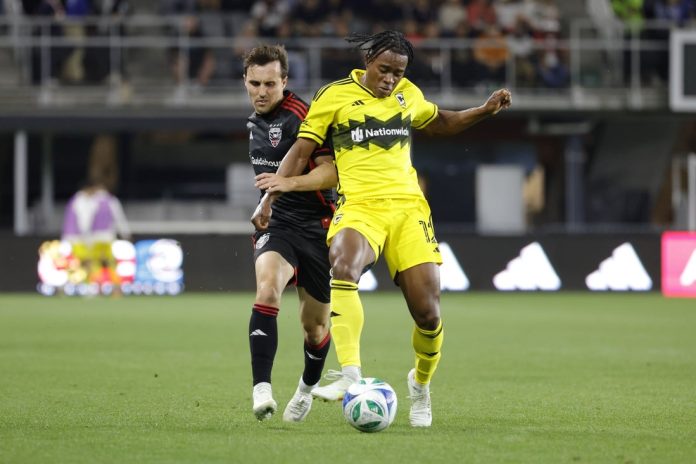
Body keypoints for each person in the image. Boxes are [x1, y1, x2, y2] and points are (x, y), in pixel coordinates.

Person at [252, 30, 511, 427]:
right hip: (359, 206)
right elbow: (301, 151)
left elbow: (441, 122)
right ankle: (350, 374)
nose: (390, 79)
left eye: (397, 73)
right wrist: (269, 197)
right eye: (384, 70)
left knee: (428, 314)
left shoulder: (408, 94)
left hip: (408, 210)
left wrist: (484, 110)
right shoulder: (333, 96)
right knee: (343, 265)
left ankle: (420, 385)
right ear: (368, 62)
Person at [242, 44, 337, 422]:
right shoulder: (254, 122)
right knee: (267, 288)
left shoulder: (304, 116)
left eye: (270, 84)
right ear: (245, 81)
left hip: (318, 226)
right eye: (255, 84)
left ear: (284, 81)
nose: (262, 92)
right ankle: (261, 389)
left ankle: (305, 389)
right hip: (279, 224)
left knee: (315, 328)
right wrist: (267, 203)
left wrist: (287, 184)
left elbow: (331, 173)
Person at [61, 178, 131, 287]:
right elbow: (119, 217)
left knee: (88, 263)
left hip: (84, 238)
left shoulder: (83, 200)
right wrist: (126, 233)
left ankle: (91, 286)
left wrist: (86, 237)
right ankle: (112, 286)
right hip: (102, 238)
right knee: (108, 263)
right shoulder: (110, 200)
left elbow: (86, 220)